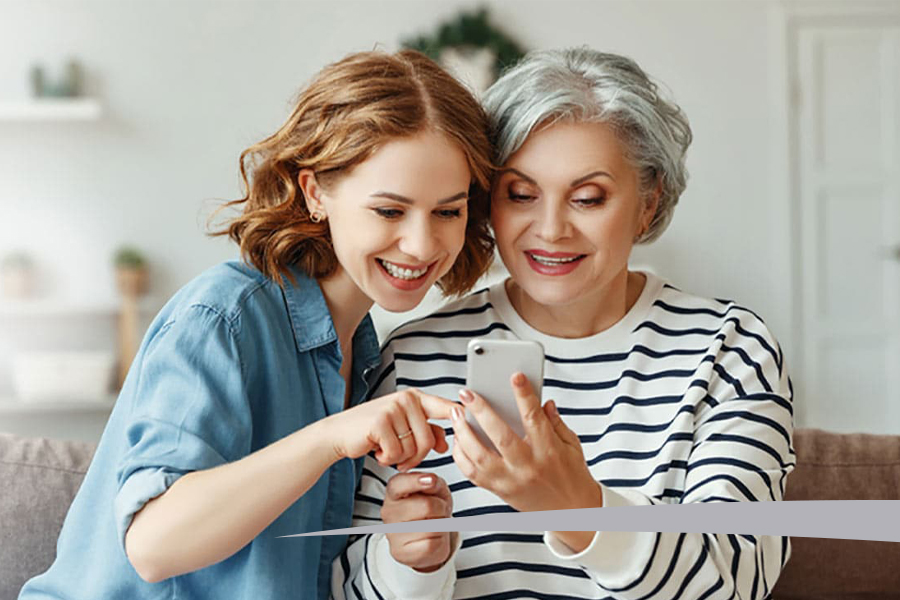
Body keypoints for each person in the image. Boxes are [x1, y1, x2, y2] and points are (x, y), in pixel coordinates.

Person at [19, 49, 496, 600]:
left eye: (448, 211)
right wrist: (331, 438)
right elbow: (153, 546)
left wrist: (407, 549)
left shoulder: (365, 352)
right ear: (316, 192)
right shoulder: (225, 317)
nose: (421, 244)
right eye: (389, 211)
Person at [334, 47, 795, 600]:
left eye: (587, 198)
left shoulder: (729, 349)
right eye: (522, 194)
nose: (550, 229)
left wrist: (573, 505)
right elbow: (348, 585)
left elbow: (738, 577)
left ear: (649, 203)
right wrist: (413, 564)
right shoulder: (413, 354)